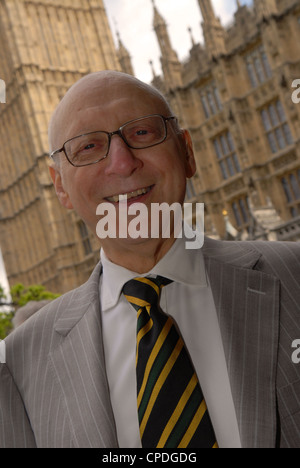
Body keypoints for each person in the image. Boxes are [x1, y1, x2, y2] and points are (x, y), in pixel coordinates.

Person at [0, 70, 299, 449]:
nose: (122, 163)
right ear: (59, 186)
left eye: (141, 132)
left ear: (187, 152)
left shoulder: (294, 277)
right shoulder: (18, 364)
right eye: (88, 147)